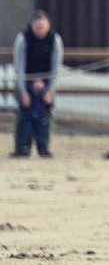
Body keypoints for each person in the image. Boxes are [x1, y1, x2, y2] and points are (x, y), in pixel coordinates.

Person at [12, 10, 63, 157]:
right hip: (25, 79)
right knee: (25, 114)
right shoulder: (23, 39)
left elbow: (56, 66)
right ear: (32, 26)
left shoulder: (55, 40)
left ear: (48, 26)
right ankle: (22, 148)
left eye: (42, 27)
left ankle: (43, 147)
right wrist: (23, 91)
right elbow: (19, 66)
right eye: (37, 27)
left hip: (47, 81)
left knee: (45, 115)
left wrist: (50, 90)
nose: (40, 31)